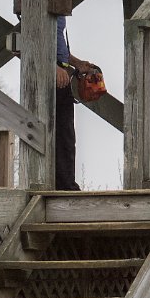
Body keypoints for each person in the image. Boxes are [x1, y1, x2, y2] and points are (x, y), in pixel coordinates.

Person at [52, 16, 104, 192]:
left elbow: (60, 48)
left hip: (63, 74)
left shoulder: (58, 14)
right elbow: (30, 42)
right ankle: (63, 185)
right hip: (49, 78)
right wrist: (53, 67)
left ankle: (66, 184)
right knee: (56, 135)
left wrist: (78, 63)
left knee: (66, 135)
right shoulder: (42, 7)